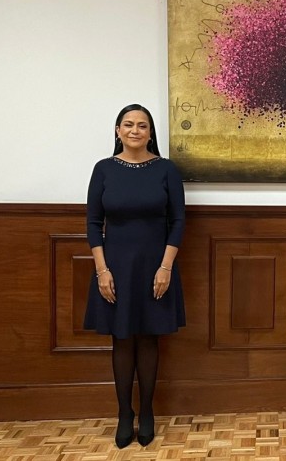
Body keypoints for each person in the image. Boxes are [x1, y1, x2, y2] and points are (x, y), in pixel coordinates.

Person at [83, 103, 186, 449]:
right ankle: (124, 413)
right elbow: (94, 223)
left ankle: (147, 412)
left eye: (142, 125)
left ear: (151, 132)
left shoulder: (167, 170)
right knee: (122, 338)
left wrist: (166, 267)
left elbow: (179, 221)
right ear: (117, 131)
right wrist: (102, 270)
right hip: (115, 266)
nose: (135, 130)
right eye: (128, 124)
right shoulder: (103, 169)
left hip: (156, 265)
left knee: (148, 338)